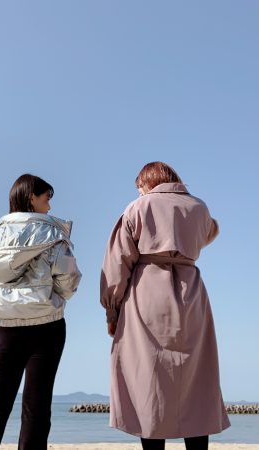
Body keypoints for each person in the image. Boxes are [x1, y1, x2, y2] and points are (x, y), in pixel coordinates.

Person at [100, 162, 230, 450]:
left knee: (149, 381)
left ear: (149, 182)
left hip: (146, 295)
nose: (139, 192)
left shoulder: (137, 208)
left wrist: (112, 311)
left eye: (139, 187)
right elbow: (210, 232)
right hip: (191, 295)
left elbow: (117, 264)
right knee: (196, 380)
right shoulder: (199, 208)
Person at [0, 173, 82, 450]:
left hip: (5, 330)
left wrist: (5, 305)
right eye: (46, 197)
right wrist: (49, 299)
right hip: (47, 328)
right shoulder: (53, 234)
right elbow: (69, 280)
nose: (50, 205)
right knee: (37, 406)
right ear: (31, 198)